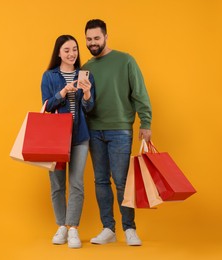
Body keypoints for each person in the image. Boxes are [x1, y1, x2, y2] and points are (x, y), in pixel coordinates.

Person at [81, 19, 152, 246]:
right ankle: (108, 229)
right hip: (94, 130)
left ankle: (129, 228)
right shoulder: (86, 68)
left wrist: (146, 122)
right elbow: (85, 104)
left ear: (106, 37)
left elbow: (139, 92)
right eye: (89, 39)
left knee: (121, 181)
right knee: (101, 181)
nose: (93, 43)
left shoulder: (125, 60)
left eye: (96, 38)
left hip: (120, 129)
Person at [41, 35, 95, 249]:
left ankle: (73, 228)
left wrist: (88, 93)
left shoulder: (86, 75)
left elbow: (90, 109)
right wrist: (63, 92)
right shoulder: (49, 76)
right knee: (56, 184)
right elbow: (46, 105)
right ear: (58, 53)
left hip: (79, 136)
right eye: (67, 50)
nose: (72, 54)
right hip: (56, 139)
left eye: (74, 49)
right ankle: (61, 226)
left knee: (77, 183)